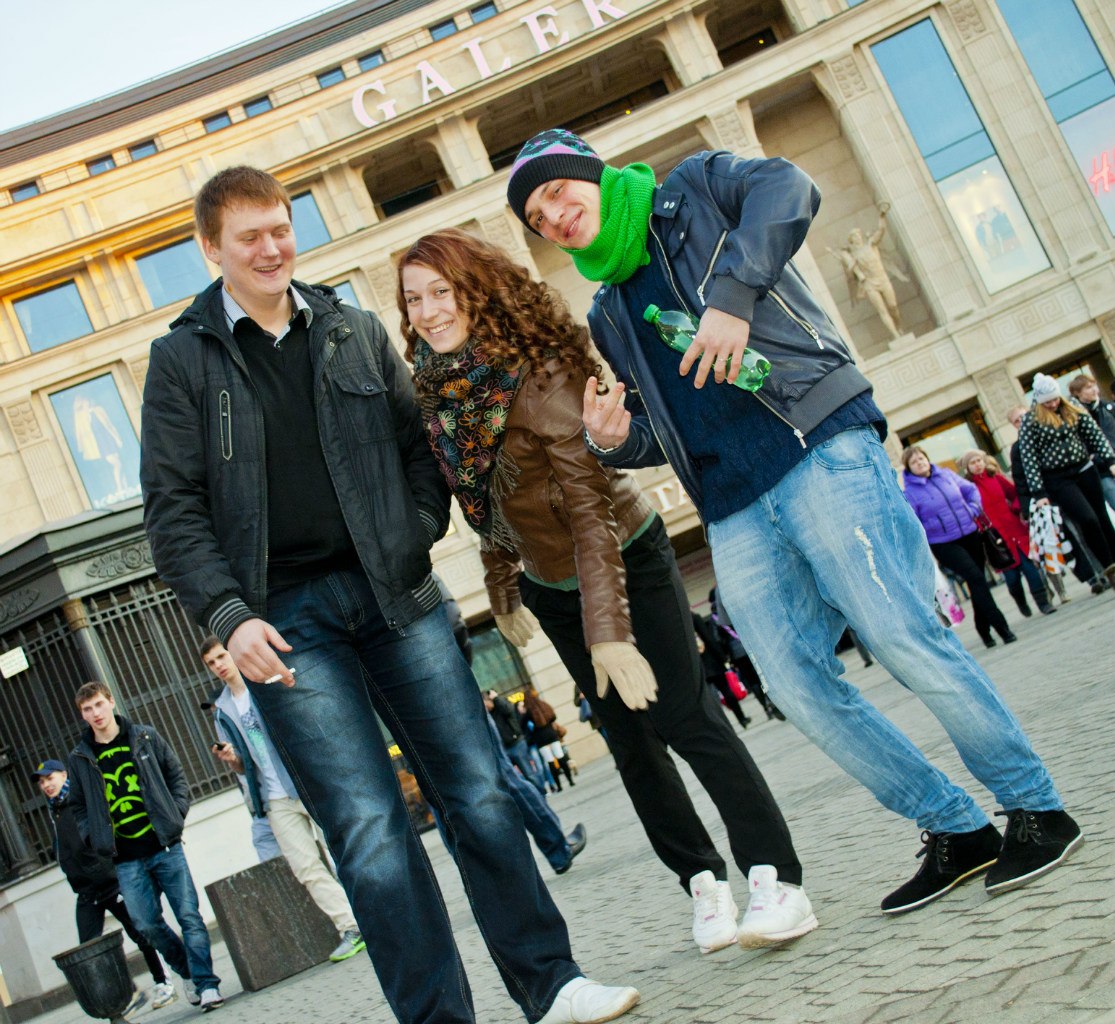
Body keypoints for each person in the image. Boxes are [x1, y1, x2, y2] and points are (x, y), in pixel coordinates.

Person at [506, 128, 1082, 915]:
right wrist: (614, 440)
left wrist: (731, 296)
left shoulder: (694, 190)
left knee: (899, 635)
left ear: (591, 174)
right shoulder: (607, 311)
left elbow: (788, 187)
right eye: (536, 218)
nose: (553, 217)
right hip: (732, 503)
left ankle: (1036, 807)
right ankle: (954, 825)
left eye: (556, 192)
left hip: (816, 445)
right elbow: (660, 429)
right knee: (794, 685)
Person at [138, 165, 637, 1024]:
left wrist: (414, 534)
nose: (271, 248)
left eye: (281, 228)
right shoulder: (181, 360)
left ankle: (550, 983)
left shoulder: (352, 329)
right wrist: (229, 615)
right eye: (250, 236)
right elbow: (172, 508)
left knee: (479, 791)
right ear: (210, 247)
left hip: (398, 596)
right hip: (284, 624)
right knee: (369, 832)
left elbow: (419, 447)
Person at [398, 227, 814, 954]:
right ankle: (701, 882)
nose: (428, 311)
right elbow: (485, 498)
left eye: (442, 292)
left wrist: (610, 632)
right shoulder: (442, 391)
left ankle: (776, 879)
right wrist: (503, 584)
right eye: (413, 299)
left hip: (624, 556)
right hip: (551, 583)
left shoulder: (541, 373)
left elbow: (590, 511)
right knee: (629, 743)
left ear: (477, 291)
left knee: (685, 718)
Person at [199, 637, 365, 963]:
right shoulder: (222, 711)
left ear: (232, 654)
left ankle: (376, 912)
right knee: (306, 868)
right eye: (211, 663)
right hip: (274, 799)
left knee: (343, 851)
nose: (218, 666)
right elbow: (243, 765)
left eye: (221, 657)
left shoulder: (262, 684)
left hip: (306, 781)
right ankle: (351, 926)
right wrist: (232, 760)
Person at [67, 683, 222, 1011]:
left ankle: (207, 985)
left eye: (99, 704)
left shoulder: (144, 736)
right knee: (146, 924)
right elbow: (78, 805)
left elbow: (176, 775)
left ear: (111, 701)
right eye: (87, 709)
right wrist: (94, 838)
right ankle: (188, 972)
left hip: (165, 846)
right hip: (125, 859)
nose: (95, 713)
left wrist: (176, 814)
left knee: (189, 916)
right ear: (82, 715)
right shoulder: (80, 757)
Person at [32, 759, 173, 1012]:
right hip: (87, 892)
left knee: (141, 931)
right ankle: (130, 992)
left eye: (50, 778)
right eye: (42, 782)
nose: (46, 785)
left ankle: (163, 981)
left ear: (64, 775)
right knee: (88, 950)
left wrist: (107, 870)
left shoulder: (79, 801)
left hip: (110, 883)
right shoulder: (56, 810)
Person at [900, 446, 1018, 649]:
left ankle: (982, 627)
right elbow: (912, 523)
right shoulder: (910, 493)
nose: (919, 463)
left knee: (977, 582)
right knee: (976, 578)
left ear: (927, 458)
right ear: (909, 468)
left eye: (921, 458)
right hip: (944, 543)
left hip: (970, 534)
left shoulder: (946, 475)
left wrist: (973, 509)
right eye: (914, 462)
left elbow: (971, 490)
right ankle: (1003, 629)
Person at [1017, 373, 1115, 592]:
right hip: (1058, 479)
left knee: (1101, 516)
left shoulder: (1072, 409)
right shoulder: (1031, 421)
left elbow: (1095, 436)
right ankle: (1109, 565)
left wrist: (1110, 461)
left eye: (1055, 399)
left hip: (1085, 469)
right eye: (1048, 402)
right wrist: (1038, 492)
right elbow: (1029, 458)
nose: (1053, 404)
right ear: (1039, 401)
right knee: (1088, 519)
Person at [481, 693, 587, 875]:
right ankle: (558, 850)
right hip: (455, 705)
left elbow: (508, 711)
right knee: (508, 778)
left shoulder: (500, 707)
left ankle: (485, 877)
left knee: (446, 801)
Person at [957, 450, 1055, 617]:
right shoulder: (967, 488)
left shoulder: (995, 477)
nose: (978, 464)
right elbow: (968, 512)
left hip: (1015, 529)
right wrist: (980, 527)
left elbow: (1015, 494)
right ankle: (1020, 601)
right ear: (967, 468)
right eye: (973, 463)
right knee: (1012, 579)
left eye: (979, 460)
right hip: (996, 538)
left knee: (1031, 570)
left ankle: (1043, 603)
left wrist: (1018, 509)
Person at [825, 203, 908, 340]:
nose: (857, 238)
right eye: (854, 237)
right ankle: (895, 335)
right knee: (882, 310)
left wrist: (882, 215)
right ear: (851, 241)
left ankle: (898, 326)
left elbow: (881, 230)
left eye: (858, 235)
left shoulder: (871, 245)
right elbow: (848, 268)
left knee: (893, 306)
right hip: (870, 284)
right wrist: (838, 256)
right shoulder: (853, 256)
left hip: (882, 279)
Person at [692, 611, 750, 729]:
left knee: (710, 697)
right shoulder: (694, 618)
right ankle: (741, 718)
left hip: (697, 666)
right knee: (726, 690)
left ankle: (722, 724)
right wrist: (722, 658)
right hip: (711, 662)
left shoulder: (678, 622)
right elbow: (709, 639)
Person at [1067, 374, 1115, 510]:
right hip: (1101, 470)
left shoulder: (1108, 407)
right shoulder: (1074, 418)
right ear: (1077, 393)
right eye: (1088, 387)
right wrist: (1095, 458)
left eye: (1094, 385)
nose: (1094, 389)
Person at [487, 689, 547, 794]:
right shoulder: (488, 715)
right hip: (504, 748)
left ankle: (541, 793)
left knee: (529, 773)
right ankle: (533, 795)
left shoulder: (502, 705)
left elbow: (508, 709)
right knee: (515, 778)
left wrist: (496, 698)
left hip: (517, 744)